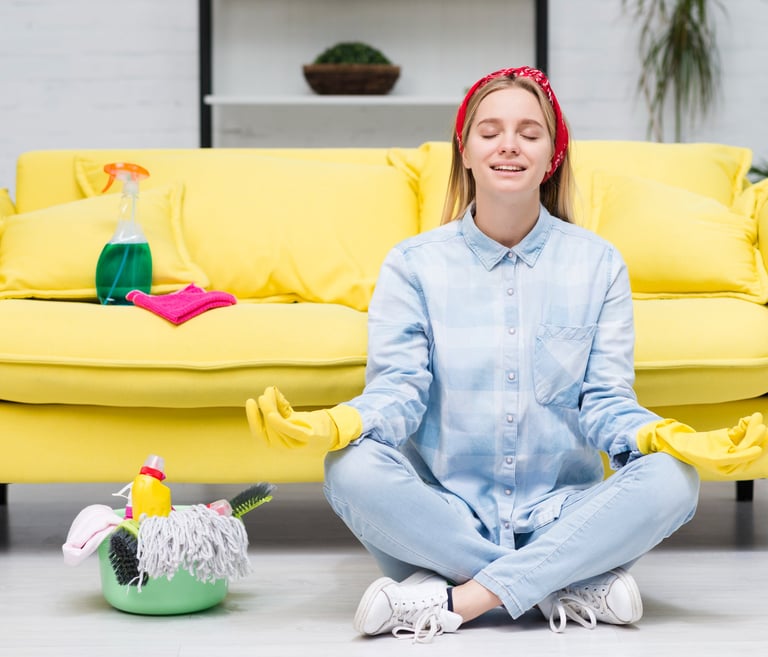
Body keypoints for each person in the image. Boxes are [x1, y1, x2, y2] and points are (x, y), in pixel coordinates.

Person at [246, 66, 767, 642]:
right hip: (446, 515)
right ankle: (563, 583)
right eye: (489, 131)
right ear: (464, 150)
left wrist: (665, 437)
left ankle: (453, 596)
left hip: (557, 515)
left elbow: (605, 403)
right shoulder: (413, 264)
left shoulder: (598, 264)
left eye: (529, 132)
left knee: (675, 479)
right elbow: (400, 392)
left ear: (553, 154)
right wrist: (339, 423)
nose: (509, 145)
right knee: (349, 466)